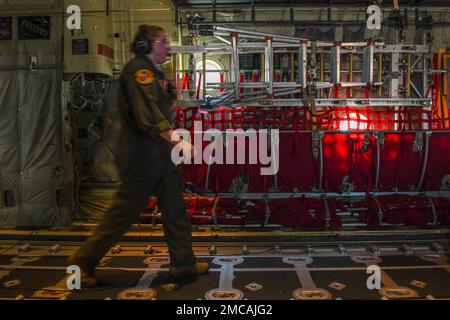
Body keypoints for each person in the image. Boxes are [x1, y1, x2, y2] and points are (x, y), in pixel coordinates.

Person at [68, 25, 209, 288]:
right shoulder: (138, 71)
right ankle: (82, 263)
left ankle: (183, 266)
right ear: (146, 45)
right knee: (122, 215)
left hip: (159, 156)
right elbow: (148, 117)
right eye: (162, 42)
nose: (167, 46)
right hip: (140, 158)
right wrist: (178, 141)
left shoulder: (155, 73)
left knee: (175, 211)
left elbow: (163, 108)